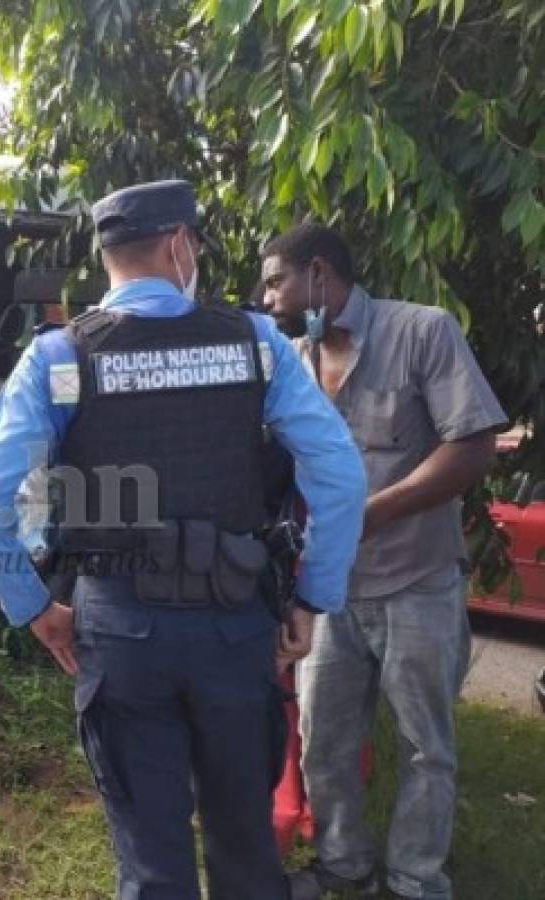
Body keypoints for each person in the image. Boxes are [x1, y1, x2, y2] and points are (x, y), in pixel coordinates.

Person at [0, 180, 367, 900]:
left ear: (106, 254)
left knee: (152, 861)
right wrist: (311, 597)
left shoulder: (59, 357)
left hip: (120, 634)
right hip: (235, 630)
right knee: (245, 845)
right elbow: (337, 476)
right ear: (180, 245)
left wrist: (33, 608)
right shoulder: (255, 344)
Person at [261, 222, 507, 900]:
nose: (267, 293)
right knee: (321, 738)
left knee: (426, 744)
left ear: (317, 274)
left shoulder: (420, 332)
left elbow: (472, 446)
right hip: (330, 591)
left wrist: (366, 517)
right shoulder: (290, 357)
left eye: (275, 279)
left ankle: (414, 878)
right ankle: (343, 863)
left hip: (418, 581)